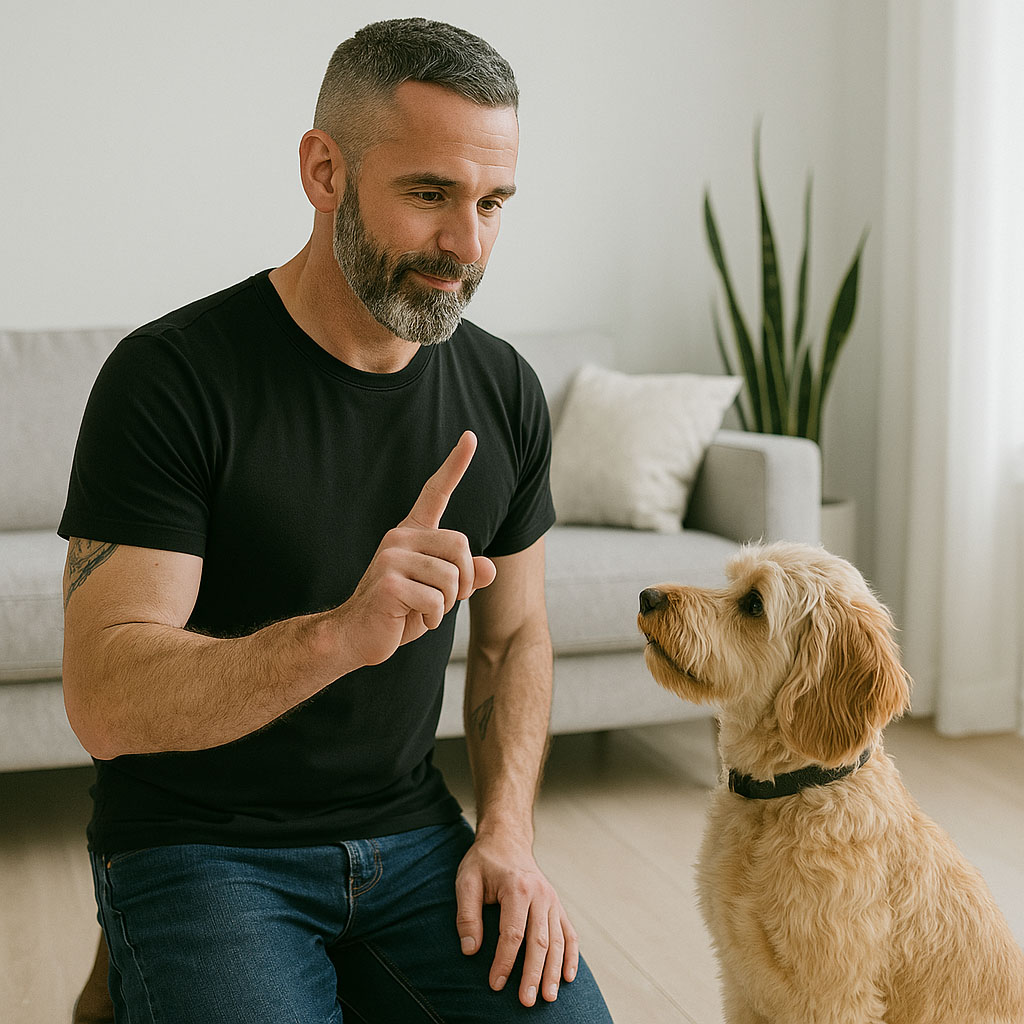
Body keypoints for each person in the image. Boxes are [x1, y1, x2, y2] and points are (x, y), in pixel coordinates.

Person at [60, 18, 613, 1024]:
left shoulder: (502, 389)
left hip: (412, 838)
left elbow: (517, 635)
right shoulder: (171, 380)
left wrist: (507, 835)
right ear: (324, 171)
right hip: (198, 843)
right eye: (430, 194)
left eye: (493, 202)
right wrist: (335, 637)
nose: (468, 244)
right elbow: (102, 696)